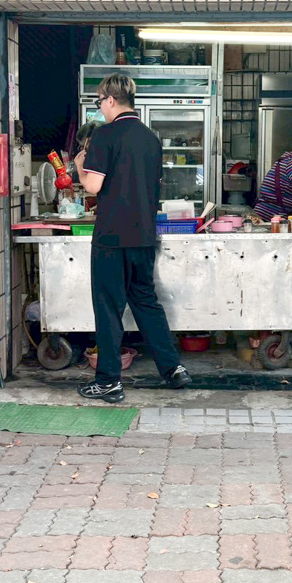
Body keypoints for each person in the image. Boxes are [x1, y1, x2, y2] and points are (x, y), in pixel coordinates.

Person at [74, 73, 191, 403]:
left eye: (100, 102)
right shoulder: (151, 138)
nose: (100, 108)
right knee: (146, 303)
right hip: (143, 235)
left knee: (109, 308)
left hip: (111, 236)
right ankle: (173, 369)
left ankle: (109, 380)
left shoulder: (105, 136)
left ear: (110, 100)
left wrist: (81, 167)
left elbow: (94, 187)